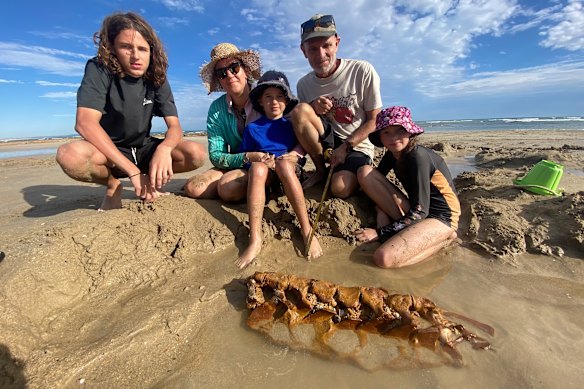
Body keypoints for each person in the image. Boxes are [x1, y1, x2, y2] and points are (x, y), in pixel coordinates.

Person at [56, 12, 206, 210]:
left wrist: (165, 148)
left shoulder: (156, 75)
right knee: (70, 155)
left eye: (142, 49)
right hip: (110, 151)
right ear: (112, 48)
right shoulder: (99, 68)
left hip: (143, 149)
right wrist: (133, 173)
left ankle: (149, 178)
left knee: (195, 153)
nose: (136, 56)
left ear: (151, 51)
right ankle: (112, 184)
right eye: (126, 47)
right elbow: (85, 123)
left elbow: (175, 126)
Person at [235, 71, 323, 269]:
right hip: (266, 179)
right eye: (268, 97)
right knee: (257, 168)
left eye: (279, 97)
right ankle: (255, 239)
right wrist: (262, 161)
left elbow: (303, 147)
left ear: (287, 100)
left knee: (284, 164)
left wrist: (294, 154)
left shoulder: (292, 124)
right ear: (260, 101)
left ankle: (307, 230)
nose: (274, 102)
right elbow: (246, 155)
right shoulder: (252, 128)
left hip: (289, 173)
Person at [354, 106, 460, 268]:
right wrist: (380, 210)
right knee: (365, 172)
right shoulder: (392, 154)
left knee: (383, 258)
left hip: (441, 217)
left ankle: (444, 239)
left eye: (399, 130)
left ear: (410, 132)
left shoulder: (418, 156)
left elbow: (420, 212)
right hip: (418, 210)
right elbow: (377, 179)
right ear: (380, 137)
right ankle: (421, 234)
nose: (393, 138)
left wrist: (380, 233)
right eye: (386, 132)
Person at [291, 14, 382, 198]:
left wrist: (346, 147)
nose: (321, 55)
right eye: (313, 49)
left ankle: (355, 173)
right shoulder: (303, 84)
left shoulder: (362, 70)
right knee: (300, 110)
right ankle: (320, 170)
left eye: (327, 46)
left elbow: (375, 120)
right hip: (327, 144)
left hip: (357, 144)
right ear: (303, 51)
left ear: (337, 43)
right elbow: (303, 122)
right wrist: (312, 107)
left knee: (340, 188)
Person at [183, 43, 265, 202]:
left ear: (246, 70)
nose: (229, 75)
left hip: (265, 163)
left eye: (234, 67)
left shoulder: (266, 96)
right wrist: (246, 158)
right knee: (194, 188)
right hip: (239, 163)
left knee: (228, 188)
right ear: (219, 80)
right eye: (222, 73)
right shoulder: (216, 109)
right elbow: (215, 155)